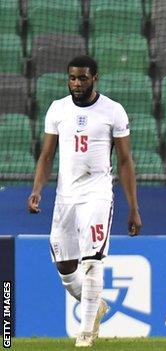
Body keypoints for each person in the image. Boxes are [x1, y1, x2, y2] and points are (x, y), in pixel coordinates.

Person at [27, 55, 142, 347]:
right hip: (66, 196)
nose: (77, 83)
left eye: (83, 78)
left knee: (92, 260)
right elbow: (47, 155)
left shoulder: (113, 111)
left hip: (97, 193)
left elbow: (125, 161)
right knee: (66, 266)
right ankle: (96, 305)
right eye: (72, 78)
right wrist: (38, 189)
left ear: (95, 78)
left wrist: (133, 208)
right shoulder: (57, 109)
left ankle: (86, 331)